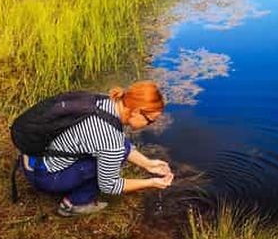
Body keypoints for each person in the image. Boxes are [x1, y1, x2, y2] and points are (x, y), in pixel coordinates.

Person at [20, 81, 174, 217]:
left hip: (31, 156)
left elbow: (119, 142)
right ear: (136, 112)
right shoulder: (110, 141)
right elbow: (110, 186)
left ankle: (67, 184)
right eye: (150, 121)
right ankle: (72, 205)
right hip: (43, 177)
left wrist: (148, 163)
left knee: (116, 152)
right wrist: (151, 182)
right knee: (112, 162)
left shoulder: (104, 101)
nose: (149, 125)